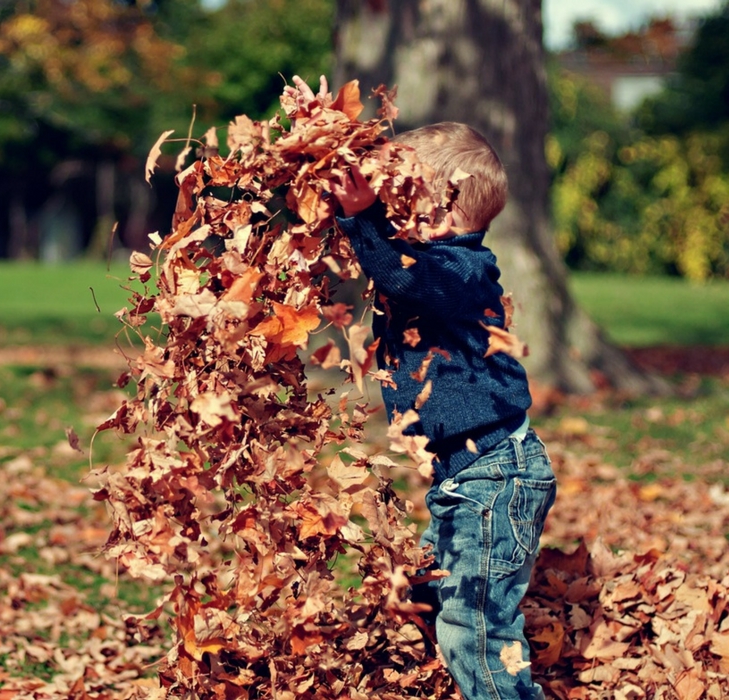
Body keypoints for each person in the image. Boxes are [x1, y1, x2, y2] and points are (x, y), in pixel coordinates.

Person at [300, 78, 557, 700]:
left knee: (477, 630)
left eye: (400, 197)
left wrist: (362, 221)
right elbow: (389, 264)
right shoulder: (434, 261)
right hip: (465, 478)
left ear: (438, 210)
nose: (388, 209)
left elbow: (400, 276)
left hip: (496, 479)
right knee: (426, 591)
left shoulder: (462, 271)